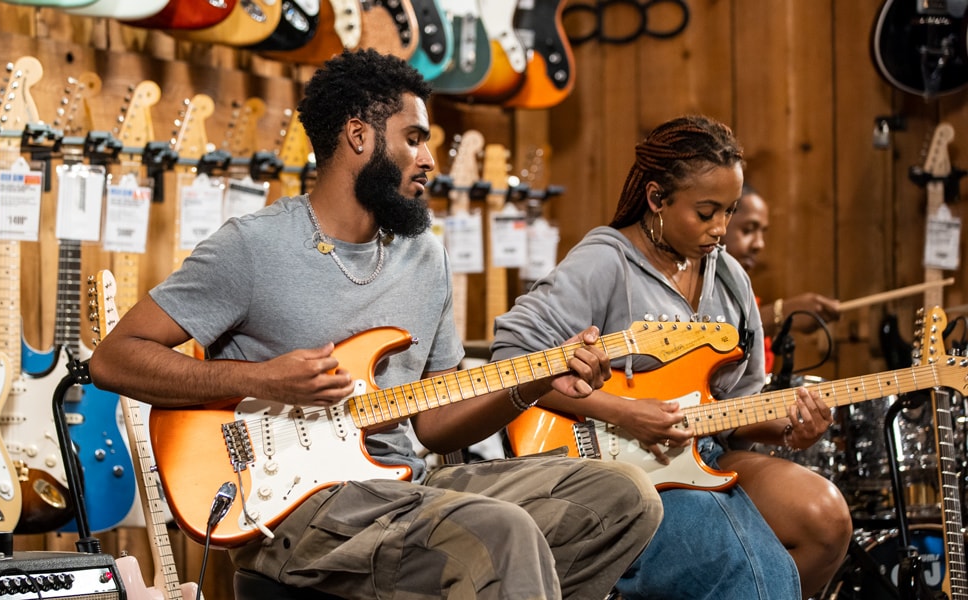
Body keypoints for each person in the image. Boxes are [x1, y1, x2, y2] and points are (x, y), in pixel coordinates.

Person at [88, 49, 663, 599]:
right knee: (499, 530)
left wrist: (535, 381)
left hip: (407, 489)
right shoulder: (254, 246)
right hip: (296, 508)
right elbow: (114, 358)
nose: (429, 159)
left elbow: (435, 424)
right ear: (359, 136)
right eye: (414, 139)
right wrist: (260, 381)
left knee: (624, 496)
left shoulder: (424, 255)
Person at [492, 115, 853, 599]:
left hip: (699, 455)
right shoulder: (606, 261)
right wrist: (625, 412)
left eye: (730, 211)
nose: (721, 229)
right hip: (612, 471)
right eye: (706, 213)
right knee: (742, 567)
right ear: (657, 198)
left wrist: (789, 429)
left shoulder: (729, 278)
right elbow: (512, 358)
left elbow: (739, 408)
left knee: (824, 518)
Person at [724, 184, 841, 341]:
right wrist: (779, 314)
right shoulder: (692, 288)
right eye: (748, 229)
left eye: (763, 232)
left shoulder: (742, 296)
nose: (760, 244)